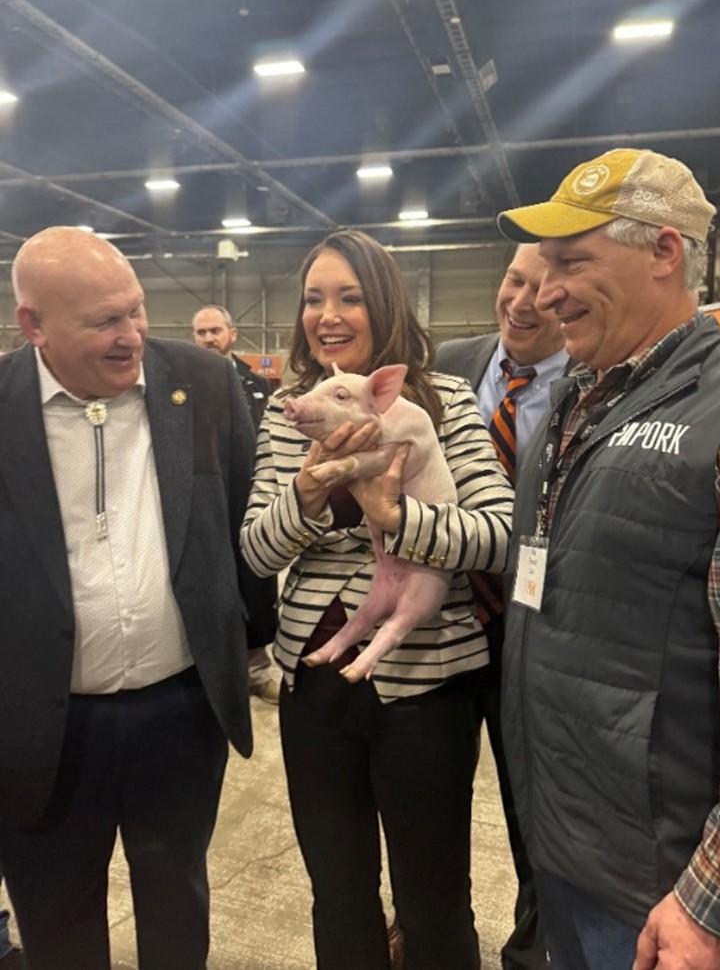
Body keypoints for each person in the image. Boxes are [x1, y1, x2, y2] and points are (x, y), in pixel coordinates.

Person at [496, 147, 720, 970]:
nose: (545, 292)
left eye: (572, 262)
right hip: (562, 843)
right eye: (544, 266)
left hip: (668, 891)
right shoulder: (570, 402)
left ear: (664, 252)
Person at [0, 227, 276, 970]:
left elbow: (245, 520)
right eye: (103, 322)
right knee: (57, 920)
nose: (131, 337)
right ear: (34, 326)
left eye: (137, 311)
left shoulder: (207, 383)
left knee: (176, 900)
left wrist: (254, 642)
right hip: (40, 728)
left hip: (178, 714)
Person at [240, 228, 513, 970]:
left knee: (433, 901)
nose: (328, 314)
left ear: (384, 303)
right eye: (313, 299)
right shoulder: (285, 413)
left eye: (349, 297)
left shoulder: (444, 400)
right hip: (315, 685)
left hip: (426, 684)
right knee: (339, 894)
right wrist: (304, 492)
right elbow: (257, 551)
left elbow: (498, 533)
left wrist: (398, 518)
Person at [434, 242, 568, 970]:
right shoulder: (452, 361)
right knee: (430, 807)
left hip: (534, 637)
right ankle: (435, 930)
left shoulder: (593, 379)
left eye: (544, 290)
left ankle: (534, 942)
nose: (521, 302)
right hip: (446, 626)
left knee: (533, 816)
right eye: (514, 280)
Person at [191, 304, 279, 704]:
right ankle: (209, 669)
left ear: (232, 334)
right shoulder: (180, 384)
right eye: (201, 332)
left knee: (256, 577)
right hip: (204, 497)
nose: (208, 338)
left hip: (253, 492)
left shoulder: (257, 383)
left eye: (214, 331)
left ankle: (258, 667)